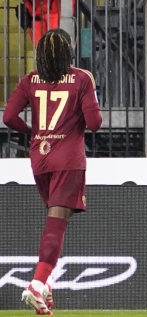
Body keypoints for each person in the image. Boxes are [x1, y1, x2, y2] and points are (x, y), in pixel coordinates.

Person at [2, 29, 102, 315]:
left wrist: (32, 131)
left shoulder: (30, 80)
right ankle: (36, 284)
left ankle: (45, 286)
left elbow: (9, 117)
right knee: (56, 223)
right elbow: (94, 123)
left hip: (40, 159)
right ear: (69, 52)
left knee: (57, 220)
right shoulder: (82, 78)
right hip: (68, 159)